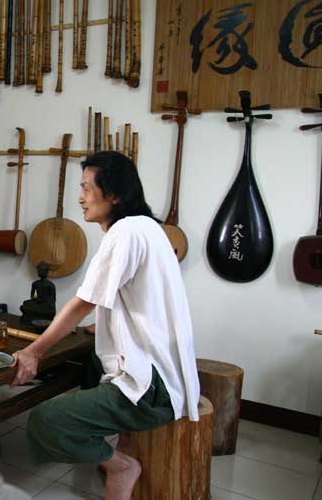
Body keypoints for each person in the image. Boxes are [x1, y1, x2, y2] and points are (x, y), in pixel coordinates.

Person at [12, 151, 200, 500]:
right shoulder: (149, 228)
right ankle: (117, 453)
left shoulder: (125, 232)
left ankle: (120, 465)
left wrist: (34, 351)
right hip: (168, 377)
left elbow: (83, 302)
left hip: (151, 389)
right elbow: (138, 299)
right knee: (90, 366)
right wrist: (106, 326)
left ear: (113, 195)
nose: (80, 197)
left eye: (87, 188)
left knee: (47, 420)